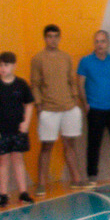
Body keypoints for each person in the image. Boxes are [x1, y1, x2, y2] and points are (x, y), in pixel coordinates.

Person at [31, 25, 83, 197]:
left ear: (59, 38)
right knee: (47, 146)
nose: (52, 39)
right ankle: (41, 183)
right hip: (48, 109)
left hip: (69, 107)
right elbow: (35, 84)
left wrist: (75, 99)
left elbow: (71, 80)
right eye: (49, 36)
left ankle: (76, 179)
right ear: (44, 38)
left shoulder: (66, 57)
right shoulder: (38, 59)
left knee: (70, 144)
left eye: (55, 36)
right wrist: (38, 105)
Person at [0, 51, 36, 205]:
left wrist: (26, 122)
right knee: (2, 161)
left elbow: (29, 104)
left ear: (14, 66)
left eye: (6, 65)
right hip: (1, 130)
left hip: (17, 129)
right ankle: (4, 194)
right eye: (0, 65)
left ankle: (23, 192)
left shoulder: (21, 84)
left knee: (18, 159)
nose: (3, 68)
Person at [80, 30, 110, 182]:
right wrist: (85, 104)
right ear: (94, 43)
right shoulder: (85, 61)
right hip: (95, 110)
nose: (100, 44)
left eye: (102, 41)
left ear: (108, 43)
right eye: (97, 41)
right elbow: (80, 84)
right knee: (93, 144)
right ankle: (92, 175)